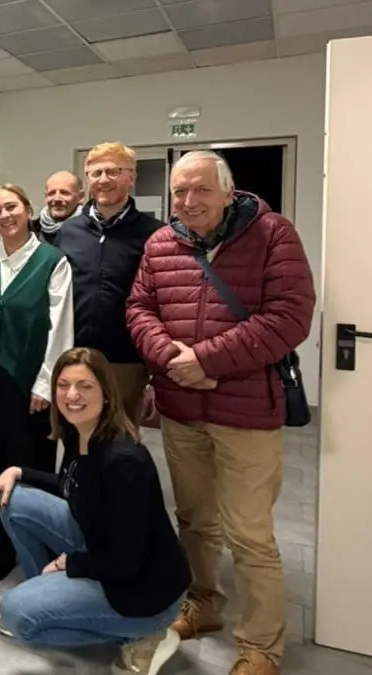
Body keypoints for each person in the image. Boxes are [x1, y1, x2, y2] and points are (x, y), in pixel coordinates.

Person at [126, 151, 315, 675]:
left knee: (249, 534)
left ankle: (259, 647)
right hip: (181, 409)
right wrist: (172, 360)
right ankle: (203, 604)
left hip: (247, 413)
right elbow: (139, 308)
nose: (188, 201)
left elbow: (290, 316)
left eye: (201, 189)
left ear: (228, 191)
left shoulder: (273, 234)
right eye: (180, 192)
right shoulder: (161, 243)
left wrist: (206, 360)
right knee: (194, 521)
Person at [0, 347, 190, 675]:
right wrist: (19, 472)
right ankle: (50, 598)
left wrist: (69, 562)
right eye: (64, 385)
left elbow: (127, 560)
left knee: (16, 614)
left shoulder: (124, 462)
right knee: (14, 498)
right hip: (106, 549)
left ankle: (145, 634)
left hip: (143, 588)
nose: (72, 395)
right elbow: (72, 485)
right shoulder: (80, 433)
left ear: (107, 394)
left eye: (85, 386)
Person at [0, 183, 74, 582]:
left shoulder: (52, 261)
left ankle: (32, 544)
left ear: (28, 209)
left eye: (12, 207)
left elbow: (62, 327)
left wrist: (47, 385)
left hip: (28, 386)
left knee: (27, 466)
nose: (5, 215)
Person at [56, 142, 162, 425]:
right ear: (87, 179)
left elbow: (162, 304)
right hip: (75, 357)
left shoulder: (155, 235)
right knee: (75, 440)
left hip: (126, 362)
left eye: (114, 171)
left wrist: (154, 375)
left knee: (120, 444)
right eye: (96, 173)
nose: (104, 180)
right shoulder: (68, 232)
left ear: (132, 178)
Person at [30, 170, 84, 245]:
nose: (57, 199)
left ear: (80, 197)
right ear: (46, 197)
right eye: (51, 193)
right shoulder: (30, 231)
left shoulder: (92, 231)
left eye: (64, 193)